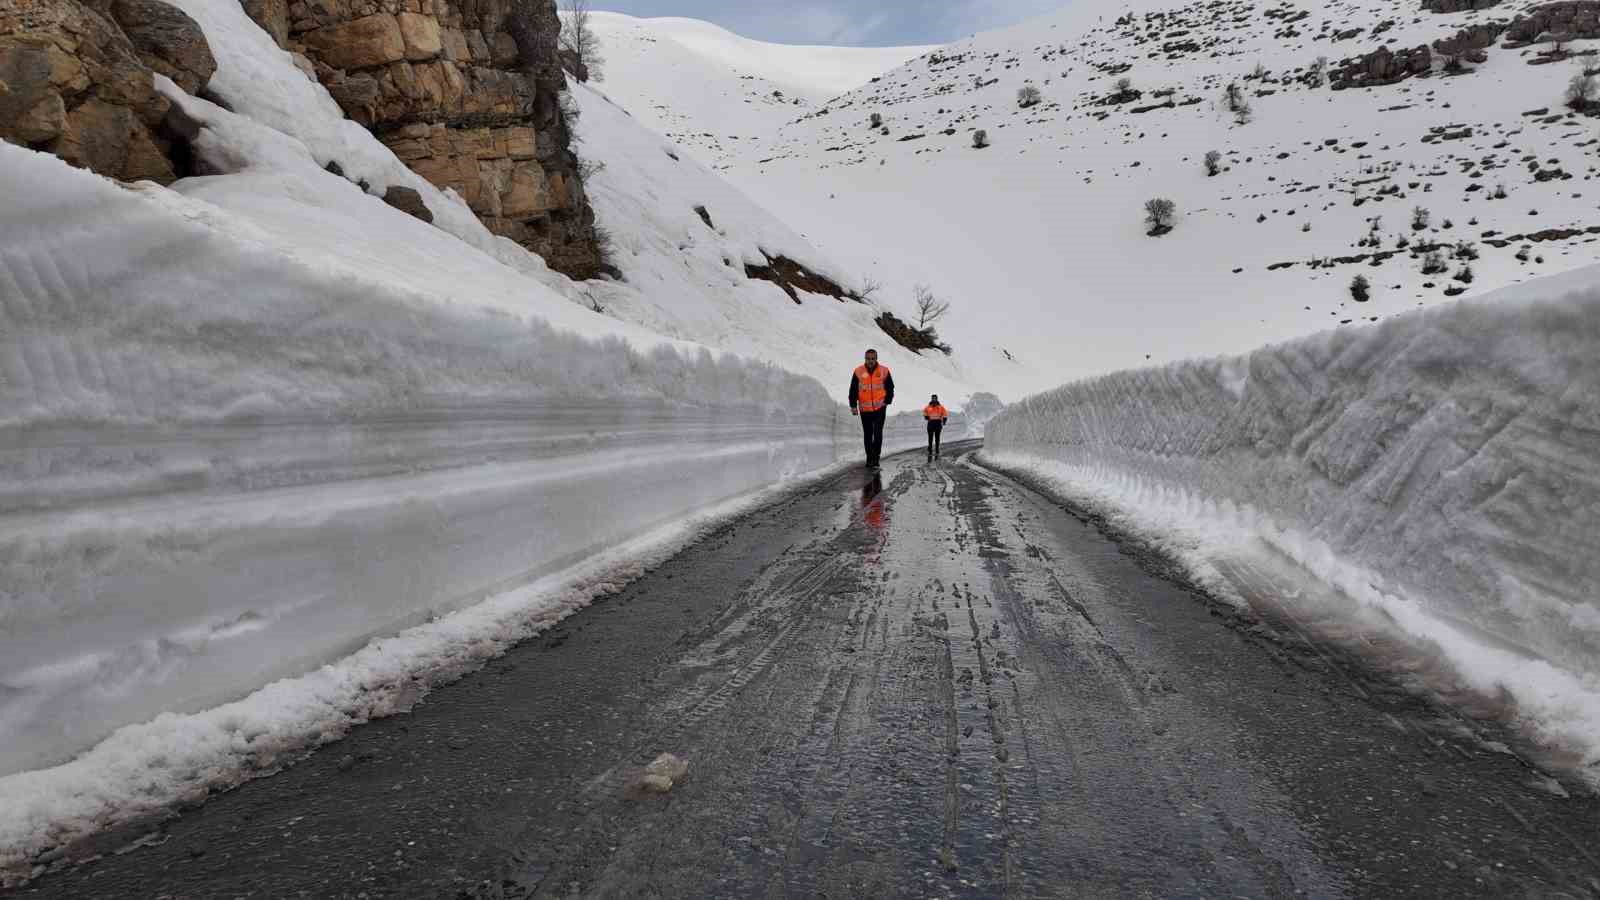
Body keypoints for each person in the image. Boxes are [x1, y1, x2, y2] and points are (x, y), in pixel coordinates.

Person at [848, 348, 894, 468]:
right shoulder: (858, 371)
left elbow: (890, 387)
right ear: (865, 359)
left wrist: (887, 401)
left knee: (878, 434)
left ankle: (876, 458)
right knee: (868, 434)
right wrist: (853, 405)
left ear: (876, 358)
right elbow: (853, 390)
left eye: (873, 358)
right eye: (868, 358)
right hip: (865, 410)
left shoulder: (884, 370)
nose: (870, 361)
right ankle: (869, 458)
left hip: (880, 408)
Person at [923, 394, 948, 460]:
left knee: (937, 437)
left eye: (935, 398)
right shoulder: (928, 407)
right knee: (930, 437)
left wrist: (944, 420)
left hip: (938, 423)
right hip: (931, 423)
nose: (934, 399)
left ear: (937, 399)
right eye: (933, 398)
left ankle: (937, 449)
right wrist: (926, 416)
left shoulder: (940, 407)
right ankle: (930, 449)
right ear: (931, 399)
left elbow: (945, 413)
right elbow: (924, 412)